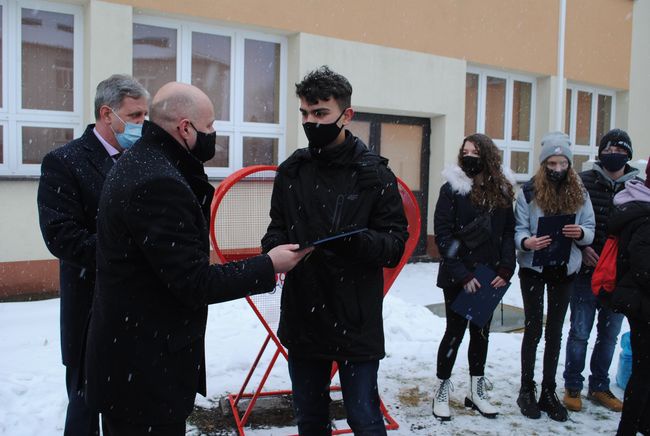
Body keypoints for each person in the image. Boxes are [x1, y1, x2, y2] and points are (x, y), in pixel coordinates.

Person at [84, 82, 310, 436]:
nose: (214, 136)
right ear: (185, 127)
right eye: (210, 127)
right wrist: (269, 264)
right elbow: (193, 282)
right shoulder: (158, 181)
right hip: (145, 374)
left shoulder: (143, 161)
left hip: (129, 366)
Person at [261, 66, 408, 435]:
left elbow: (394, 245)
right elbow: (274, 229)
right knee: (310, 418)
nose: (311, 122)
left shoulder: (374, 174)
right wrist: (275, 248)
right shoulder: (292, 171)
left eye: (321, 113)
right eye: (305, 114)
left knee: (363, 417)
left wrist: (355, 242)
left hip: (356, 316)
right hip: (304, 313)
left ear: (347, 115)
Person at [37, 74, 149, 436]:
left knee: (131, 408)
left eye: (145, 116)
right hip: (90, 309)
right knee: (85, 408)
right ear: (106, 114)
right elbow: (62, 236)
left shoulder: (144, 161)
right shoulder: (64, 162)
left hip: (137, 312)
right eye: (135, 117)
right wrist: (126, 257)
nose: (142, 125)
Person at [431, 133, 516, 421]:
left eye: (475, 152)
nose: (468, 157)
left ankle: (476, 391)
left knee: (480, 334)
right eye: (465, 151)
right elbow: (443, 236)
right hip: (458, 275)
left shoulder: (502, 193)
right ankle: (442, 389)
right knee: (454, 333)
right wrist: (463, 274)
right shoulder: (451, 190)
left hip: (489, 275)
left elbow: (507, 234)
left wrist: (506, 269)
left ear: (488, 157)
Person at [514, 131, 595, 422]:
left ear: (569, 164)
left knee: (555, 332)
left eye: (563, 163)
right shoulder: (528, 191)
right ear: (544, 163)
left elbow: (590, 226)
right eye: (552, 163)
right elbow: (519, 229)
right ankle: (527, 389)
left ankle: (549, 390)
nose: (558, 169)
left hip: (565, 267)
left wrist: (582, 234)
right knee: (533, 328)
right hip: (534, 268)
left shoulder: (580, 192)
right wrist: (527, 242)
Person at [563, 129, 640, 413]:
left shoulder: (638, 188)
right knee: (580, 332)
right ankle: (572, 385)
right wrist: (583, 248)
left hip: (620, 276)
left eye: (620, 150)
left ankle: (599, 386)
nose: (614, 155)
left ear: (628, 155)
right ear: (601, 153)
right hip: (586, 272)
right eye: (609, 149)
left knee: (609, 335)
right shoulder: (583, 183)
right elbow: (569, 221)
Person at [604, 161, 650, 436]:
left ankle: (641, 422)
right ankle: (630, 427)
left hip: (640, 300)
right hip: (642, 303)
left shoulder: (638, 205)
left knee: (645, 370)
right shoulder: (644, 213)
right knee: (644, 372)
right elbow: (643, 265)